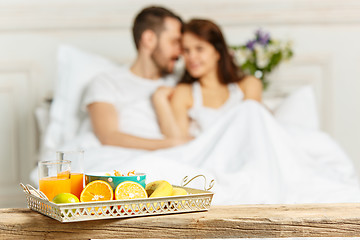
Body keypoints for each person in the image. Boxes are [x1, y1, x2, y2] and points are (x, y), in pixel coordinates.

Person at [83, 6, 189, 150]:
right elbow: (108, 136)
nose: (180, 51)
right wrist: (173, 144)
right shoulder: (107, 82)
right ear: (149, 39)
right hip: (124, 161)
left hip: (176, 161)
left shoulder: (180, 81)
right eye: (174, 42)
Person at [152, 19, 263, 138]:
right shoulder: (184, 92)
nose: (192, 57)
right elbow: (178, 143)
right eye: (186, 50)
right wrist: (160, 101)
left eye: (199, 49)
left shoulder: (249, 85)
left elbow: (251, 128)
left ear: (217, 52)